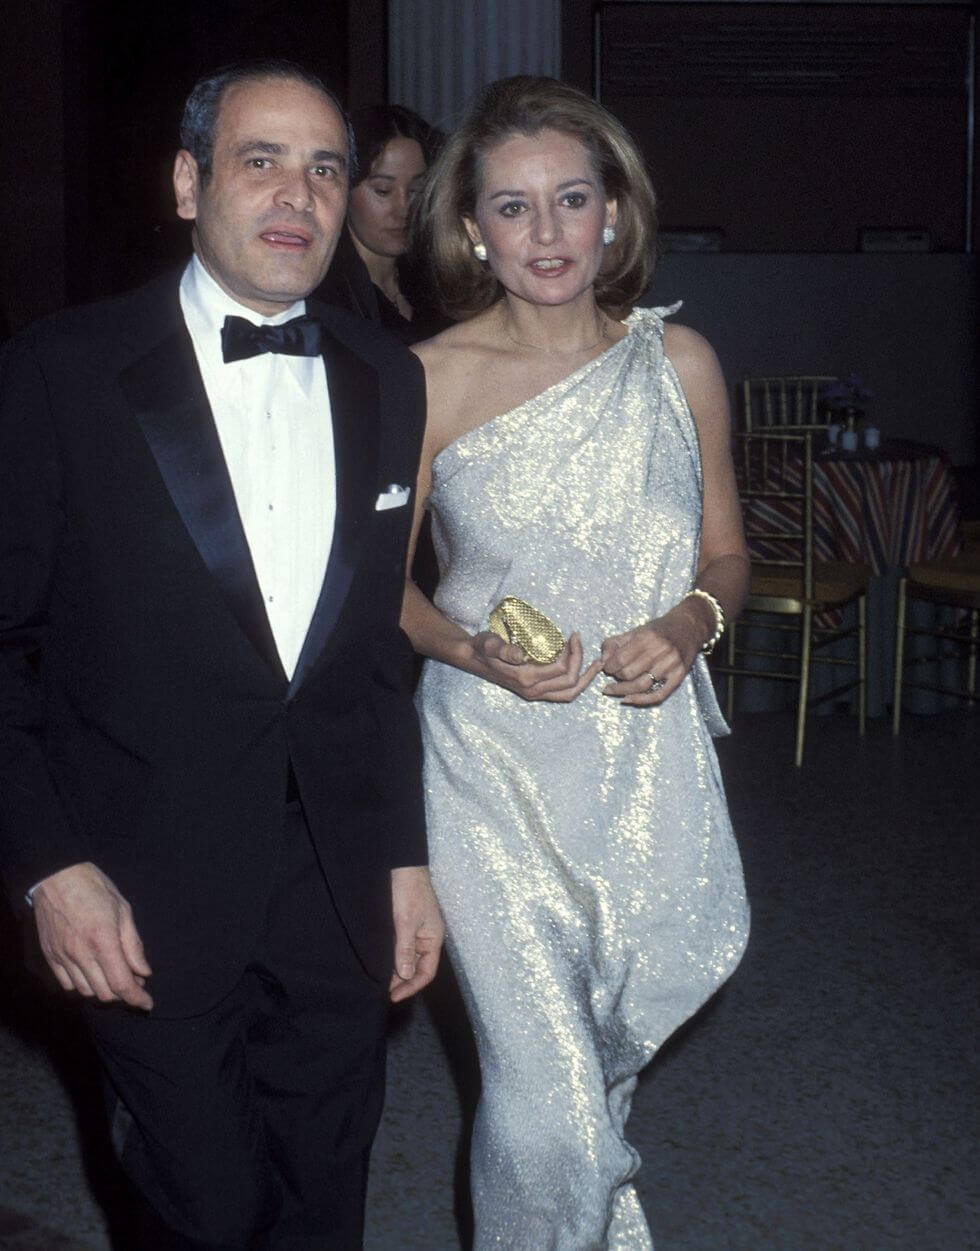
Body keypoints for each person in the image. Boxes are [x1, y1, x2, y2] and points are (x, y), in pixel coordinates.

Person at [0, 60, 442, 1250]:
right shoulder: (62, 369)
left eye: (326, 169)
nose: (298, 194)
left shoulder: (388, 378)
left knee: (323, 1196)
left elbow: (369, 654)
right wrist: (48, 867)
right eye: (261, 161)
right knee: (200, 1207)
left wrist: (403, 857)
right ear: (189, 184)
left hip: (335, 880)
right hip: (138, 883)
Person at [402, 75, 750, 1248]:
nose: (544, 231)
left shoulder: (678, 363)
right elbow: (381, 595)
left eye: (569, 199)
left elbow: (725, 556)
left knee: (595, 1069)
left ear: (614, 212)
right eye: (511, 206)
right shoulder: (427, 379)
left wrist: (689, 624)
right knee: (543, 1106)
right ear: (471, 230)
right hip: (486, 764)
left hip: (641, 765)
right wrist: (469, 648)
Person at [317, 104, 447, 345]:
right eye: (383, 190)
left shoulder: (436, 280)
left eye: (416, 190)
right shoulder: (324, 296)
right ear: (344, 190)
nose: (404, 209)